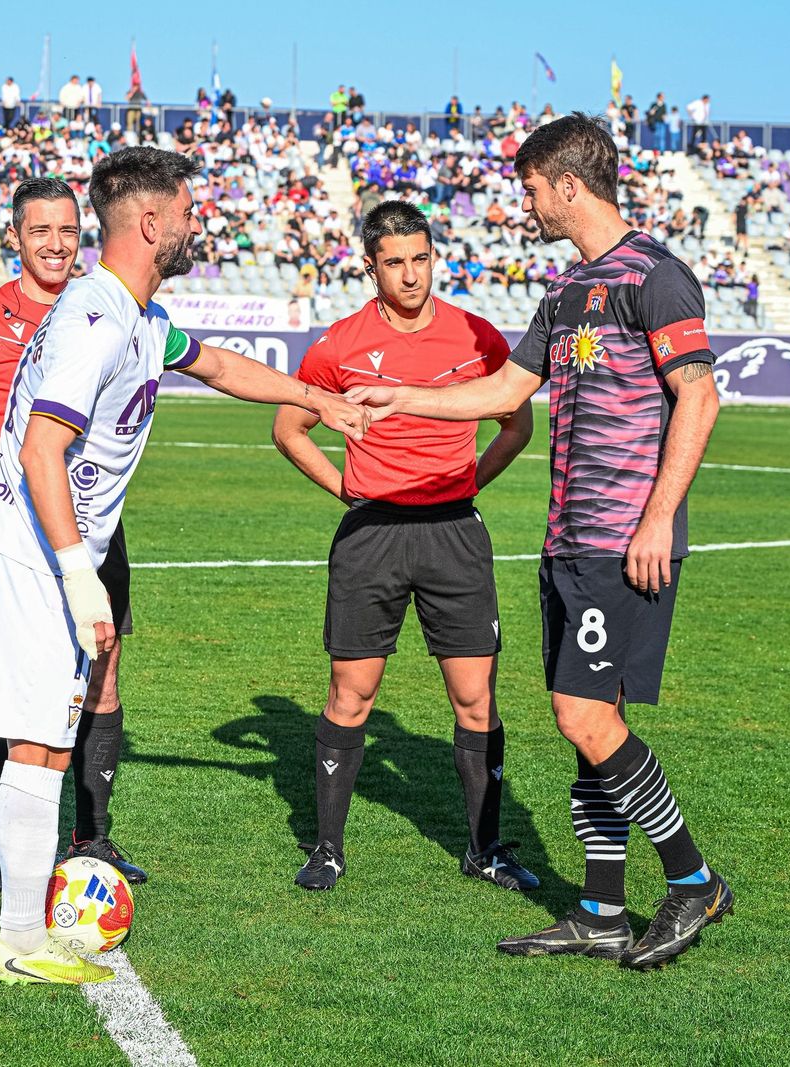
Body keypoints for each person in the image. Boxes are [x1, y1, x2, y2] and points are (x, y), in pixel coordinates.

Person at [0, 146, 369, 984]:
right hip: (33, 554)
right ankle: (21, 941)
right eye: (190, 211)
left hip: (2, 538)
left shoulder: (133, 314)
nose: (198, 223)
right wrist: (78, 574)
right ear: (152, 222)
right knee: (43, 751)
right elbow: (44, 447)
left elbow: (218, 364)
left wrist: (318, 399)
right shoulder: (97, 320)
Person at [346, 114, 732, 970]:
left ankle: (693, 878)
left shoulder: (657, 276)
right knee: (588, 721)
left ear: (565, 184)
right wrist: (401, 398)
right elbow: (502, 392)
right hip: (565, 544)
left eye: (527, 186)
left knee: (582, 714)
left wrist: (660, 516)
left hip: (623, 540)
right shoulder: (562, 295)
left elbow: (698, 398)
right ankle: (598, 907)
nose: (521, 201)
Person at [272, 201, 538, 894]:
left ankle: (485, 849)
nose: (411, 274)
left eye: (420, 258)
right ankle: (328, 849)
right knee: (351, 693)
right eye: (395, 262)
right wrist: (347, 489)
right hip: (373, 536)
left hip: (454, 533)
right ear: (370, 266)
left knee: (475, 699)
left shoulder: (476, 334)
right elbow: (289, 428)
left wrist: (469, 480)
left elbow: (518, 422)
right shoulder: (341, 342)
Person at [0, 175, 148, 893]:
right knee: (2, 697)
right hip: (19, 539)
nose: (54, 244)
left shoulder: (112, 306)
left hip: (95, 535)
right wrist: (26, 458)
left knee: (101, 681)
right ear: (15, 237)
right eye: (39, 231)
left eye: (66, 230)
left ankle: (94, 837)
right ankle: (5, 846)